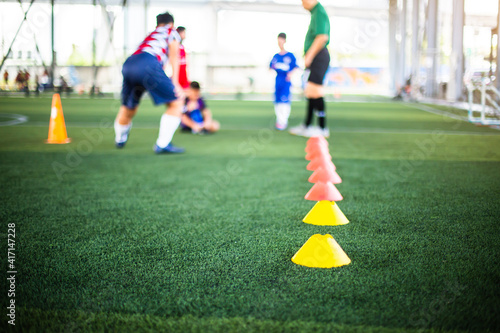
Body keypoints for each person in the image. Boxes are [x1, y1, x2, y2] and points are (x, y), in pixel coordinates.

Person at [114, 11, 185, 153]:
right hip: (148, 65)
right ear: (171, 23)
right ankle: (163, 144)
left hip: (129, 64)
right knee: (177, 102)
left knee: (128, 107)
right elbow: (174, 57)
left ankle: (120, 139)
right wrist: (176, 82)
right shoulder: (172, 31)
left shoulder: (151, 34)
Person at [289, 0, 331, 138]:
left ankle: (322, 127)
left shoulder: (319, 11)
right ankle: (307, 125)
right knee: (310, 91)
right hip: (316, 57)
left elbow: (322, 37)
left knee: (316, 91)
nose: (302, 2)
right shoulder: (315, 12)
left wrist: (309, 56)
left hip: (319, 57)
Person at [270, 32, 298, 130]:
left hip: (286, 82)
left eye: (281, 40)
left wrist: (290, 74)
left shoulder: (290, 55)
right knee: (277, 101)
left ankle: (283, 121)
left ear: (285, 41)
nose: (279, 42)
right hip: (278, 81)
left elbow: (296, 67)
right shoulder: (276, 56)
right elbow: (270, 67)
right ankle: (279, 120)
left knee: (284, 101)